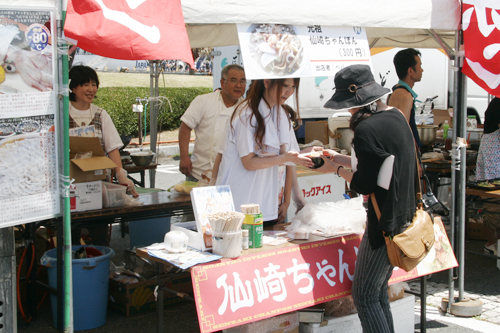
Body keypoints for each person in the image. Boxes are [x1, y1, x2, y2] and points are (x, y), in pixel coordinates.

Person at [318, 65, 417, 333]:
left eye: (349, 106)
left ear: (359, 102)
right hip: (404, 217)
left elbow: (364, 182)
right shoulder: (396, 117)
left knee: (363, 295)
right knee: (377, 292)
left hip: (382, 225)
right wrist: (336, 157)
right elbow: (377, 163)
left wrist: (334, 169)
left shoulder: (365, 129)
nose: (349, 111)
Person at [216, 78, 313, 224]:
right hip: (241, 204)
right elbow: (248, 163)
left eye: (294, 86)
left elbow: (287, 161)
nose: (290, 91)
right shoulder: (246, 114)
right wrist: (286, 158)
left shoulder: (282, 114)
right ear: (267, 82)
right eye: (285, 85)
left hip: (271, 205)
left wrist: (286, 201)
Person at [69, 65, 138, 245]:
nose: (91, 89)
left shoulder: (101, 114)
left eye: (94, 84)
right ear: (73, 87)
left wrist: (121, 173)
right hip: (70, 186)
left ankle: (100, 266)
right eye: (85, 84)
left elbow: (112, 148)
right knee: (71, 235)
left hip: (97, 185)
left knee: (99, 234)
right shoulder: (62, 113)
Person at [179, 64, 246, 182]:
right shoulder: (204, 101)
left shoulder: (246, 109)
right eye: (233, 80)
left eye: (242, 81)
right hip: (198, 174)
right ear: (222, 82)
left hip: (230, 177)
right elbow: (185, 128)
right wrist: (184, 157)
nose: (238, 85)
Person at [476, 97, 500, 256]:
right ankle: (492, 243)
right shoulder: (498, 103)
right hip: (493, 154)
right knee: (493, 200)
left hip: (494, 151)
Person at [387, 48, 424, 148]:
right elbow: (405, 133)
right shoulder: (405, 96)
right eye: (420, 66)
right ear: (410, 71)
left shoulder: (396, 92)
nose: (422, 70)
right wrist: (416, 160)